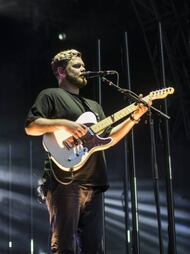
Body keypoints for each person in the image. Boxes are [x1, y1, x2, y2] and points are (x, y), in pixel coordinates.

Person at [24, 49, 150, 253]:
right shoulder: (50, 95)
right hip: (65, 181)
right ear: (61, 72)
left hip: (95, 182)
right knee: (64, 245)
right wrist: (65, 125)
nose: (83, 68)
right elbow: (31, 127)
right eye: (77, 66)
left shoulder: (94, 106)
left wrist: (134, 117)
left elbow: (108, 139)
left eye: (83, 65)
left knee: (94, 248)